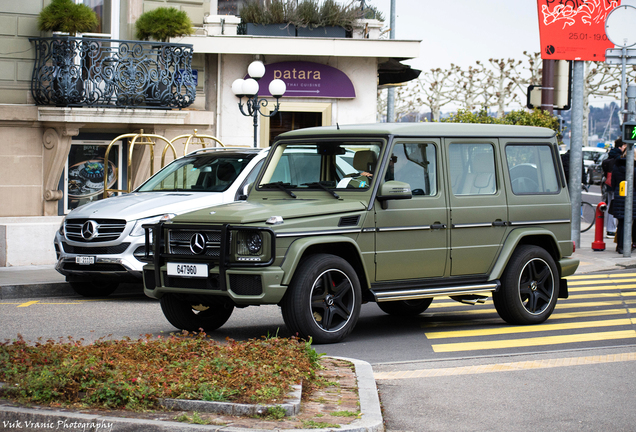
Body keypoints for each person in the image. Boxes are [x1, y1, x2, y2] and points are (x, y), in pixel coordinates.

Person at [608, 147, 636, 254]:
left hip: (619, 196)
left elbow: (613, 182)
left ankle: (619, 245)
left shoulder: (616, 166)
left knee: (621, 223)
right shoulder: (634, 168)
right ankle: (626, 245)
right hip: (632, 197)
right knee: (629, 222)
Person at [602, 138, 626, 237]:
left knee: (610, 206)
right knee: (614, 207)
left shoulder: (610, 156)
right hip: (617, 186)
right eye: (624, 146)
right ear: (620, 147)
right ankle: (611, 229)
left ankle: (610, 228)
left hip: (609, 185)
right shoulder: (618, 158)